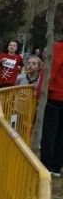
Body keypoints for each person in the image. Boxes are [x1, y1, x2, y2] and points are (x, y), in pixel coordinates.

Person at [40, 38, 63, 177]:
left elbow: (51, 70)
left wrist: (40, 92)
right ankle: (56, 166)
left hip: (55, 96)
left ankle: (47, 165)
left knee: (50, 132)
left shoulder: (58, 47)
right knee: (61, 133)